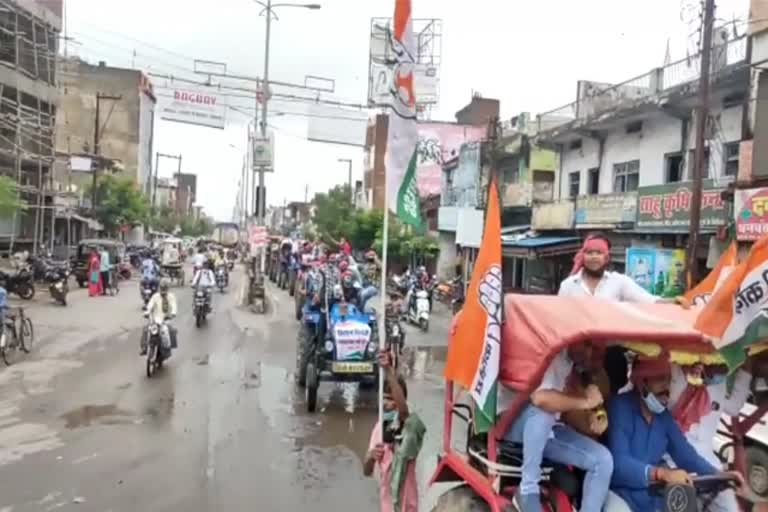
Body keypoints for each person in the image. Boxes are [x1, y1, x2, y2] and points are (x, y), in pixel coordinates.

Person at [605, 357, 743, 512]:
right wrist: (660, 473)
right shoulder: (619, 406)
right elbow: (619, 463)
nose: (666, 386)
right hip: (622, 494)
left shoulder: (663, 416)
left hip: (652, 496)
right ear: (641, 382)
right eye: (660, 379)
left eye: (669, 379)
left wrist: (719, 475)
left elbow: (686, 455)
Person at [503, 342, 613, 512]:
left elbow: (568, 408)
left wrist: (593, 416)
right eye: (585, 345)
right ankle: (527, 490)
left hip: (548, 431)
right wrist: (585, 402)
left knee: (603, 460)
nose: (588, 352)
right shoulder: (550, 353)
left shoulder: (572, 364)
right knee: (544, 412)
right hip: (513, 424)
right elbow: (540, 399)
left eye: (592, 347)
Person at [667, 362, 751, 512]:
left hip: (710, 464)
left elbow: (733, 407)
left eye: (725, 368)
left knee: (730, 508)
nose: (723, 371)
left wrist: (747, 367)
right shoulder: (678, 380)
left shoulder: (719, 384)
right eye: (719, 366)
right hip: (673, 463)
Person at [364, 350, 425, 512]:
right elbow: (367, 471)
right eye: (385, 398)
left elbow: (403, 412)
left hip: (408, 506)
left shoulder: (412, 425)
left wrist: (388, 371)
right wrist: (371, 457)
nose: (387, 404)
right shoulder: (379, 428)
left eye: (392, 399)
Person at [140, 278, 177, 355]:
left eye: (165, 288)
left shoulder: (171, 296)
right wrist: (147, 312)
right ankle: (144, 348)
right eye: (162, 288)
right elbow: (150, 305)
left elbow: (174, 306)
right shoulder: (155, 296)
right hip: (155, 320)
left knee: (172, 331)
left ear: (167, 288)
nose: (163, 290)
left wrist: (173, 314)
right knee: (145, 329)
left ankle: (168, 349)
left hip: (166, 320)